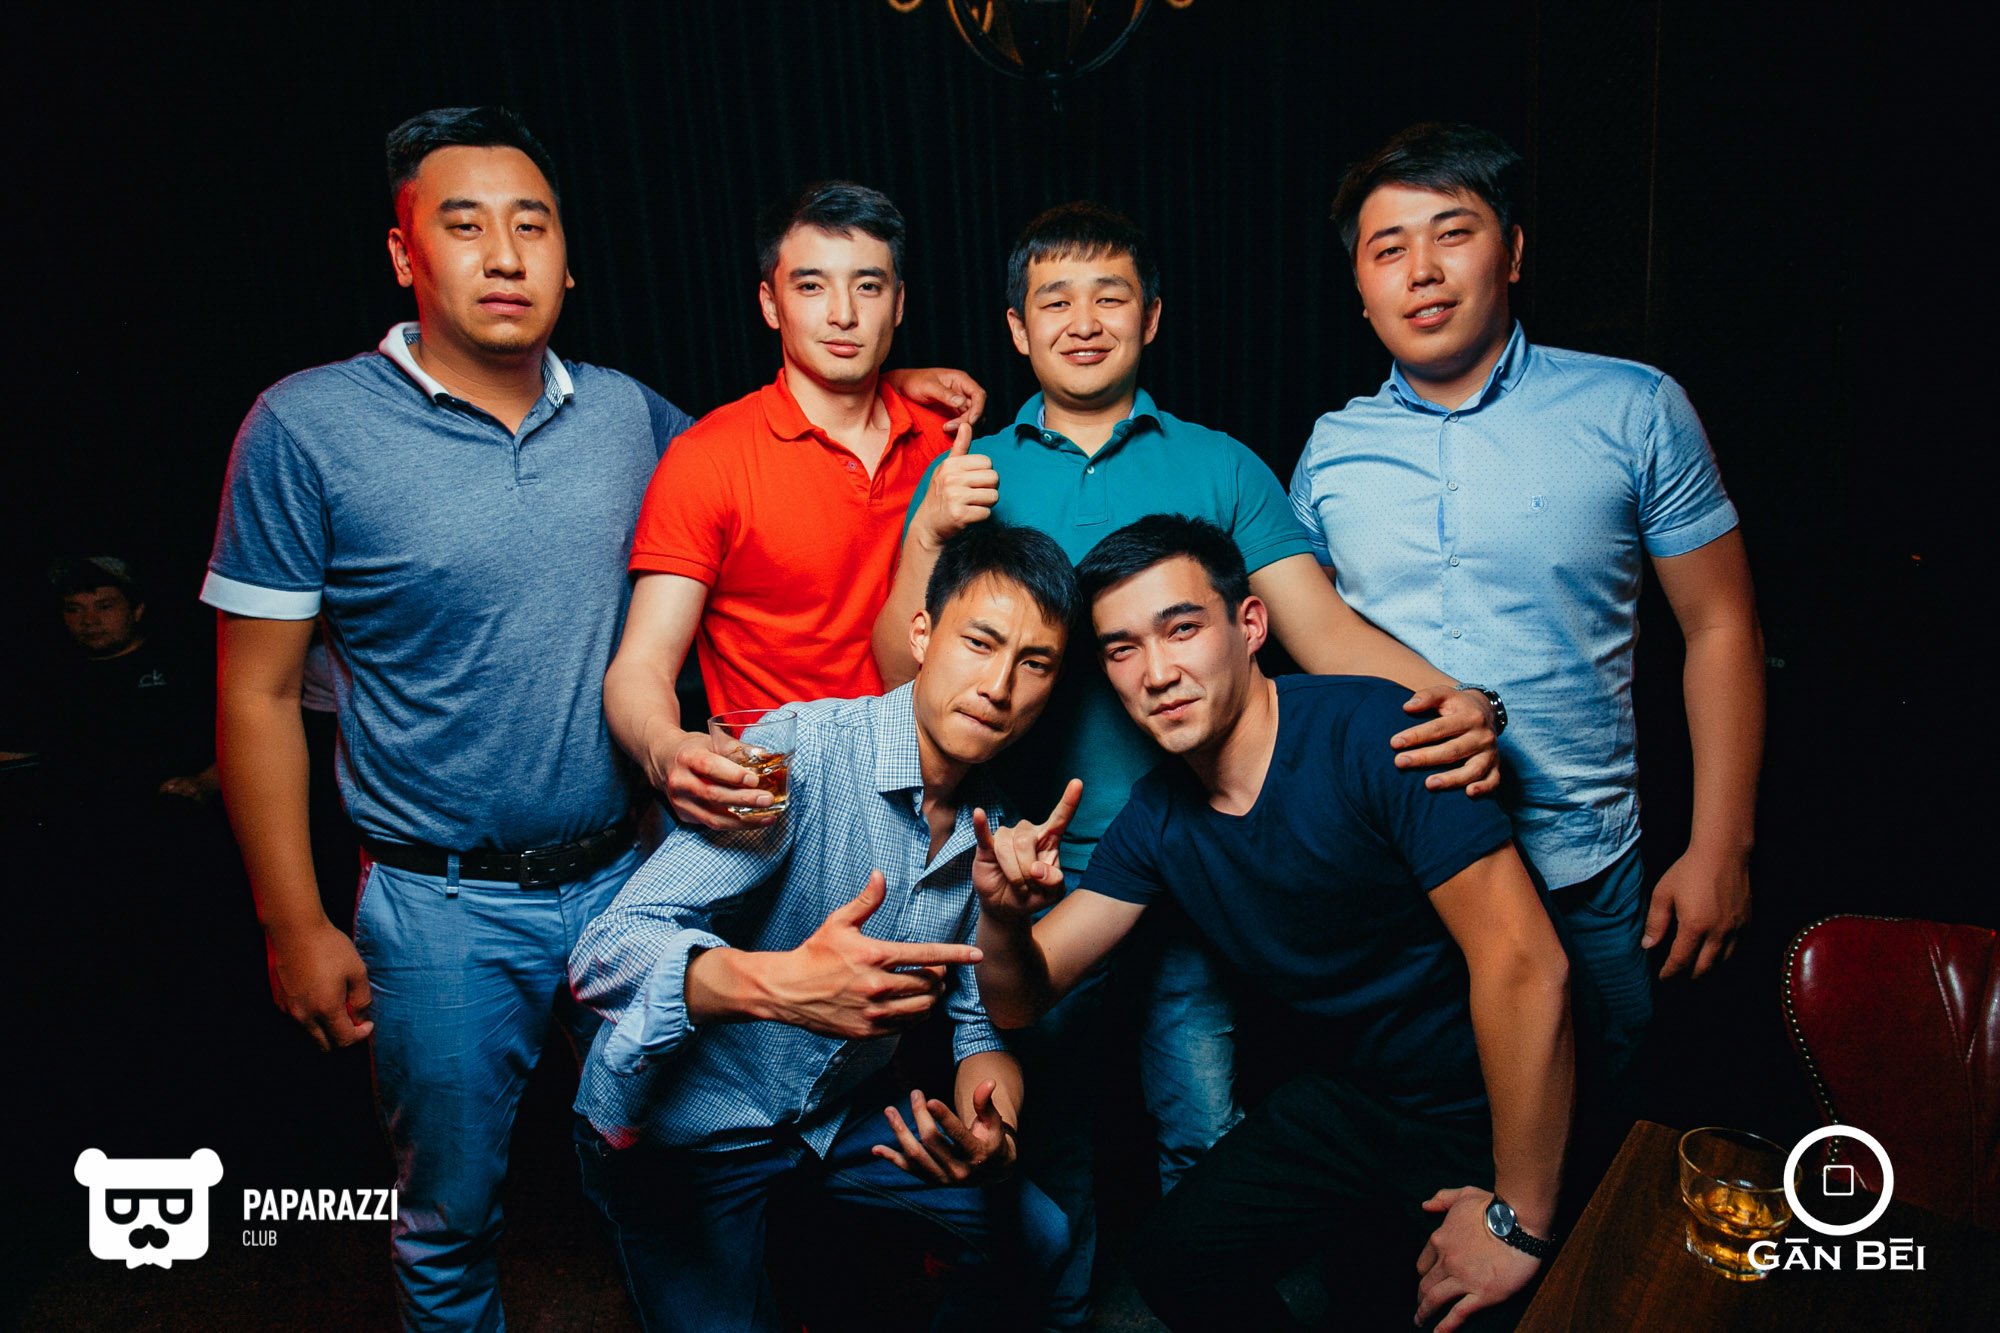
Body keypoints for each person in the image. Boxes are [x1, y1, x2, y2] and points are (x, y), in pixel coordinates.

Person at [869, 201, 1504, 1322]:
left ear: (1151, 318)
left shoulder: (1218, 465)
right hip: (1043, 874)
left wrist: (1455, 698)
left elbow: (1320, 631)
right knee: (1047, 1140)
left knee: (1203, 1126)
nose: (1082, 321)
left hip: (1201, 861)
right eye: (1054, 301)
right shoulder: (972, 473)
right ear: (1016, 328)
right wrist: (928, 533)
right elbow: (902, 670)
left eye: (1109, 296)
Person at [973, 515, 1573, 1332]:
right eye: (1122, 649)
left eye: (1181, 629)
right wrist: (1002, 919)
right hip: (1360, 1099)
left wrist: (1518, 1218)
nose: (1157, 672)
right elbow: (1022, 997)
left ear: (1250, 624)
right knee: (1177, 1261)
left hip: (1499, 1096)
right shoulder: (1156, 818)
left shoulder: (1374, 732)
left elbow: (1525, 962)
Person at [1292, 122, 1765, 1087]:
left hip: (1584, 867)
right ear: (1361, 288)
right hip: (1396, 874)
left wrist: (1722, 844)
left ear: (1510, 251)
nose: (1422, 271)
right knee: (1408, 1129)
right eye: (1388, 249)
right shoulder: (1331, 448)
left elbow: (1722, 626)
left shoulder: (1634, 408)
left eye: (1452, 233)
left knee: (1611, 1122)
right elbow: (1309, 642)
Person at [568, 523, 1078, 1331]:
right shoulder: (791, 752)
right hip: (688, 1128)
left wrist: (995, 1128)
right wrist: (778, 985)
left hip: (827, 1120)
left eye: (1034, 662)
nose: (998, 685)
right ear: (922, 634)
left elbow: (980, 1023)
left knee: (1037, 1237)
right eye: (980, 642)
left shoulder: (998, 833)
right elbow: (605, 951)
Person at [605, 182, 982, 832]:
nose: (843, 314)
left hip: (935, 804)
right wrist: (667, 750)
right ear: (770, 303)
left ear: (898, 304)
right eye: (811, 286)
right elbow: (640, 665)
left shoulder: (946, 444)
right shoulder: (708, 460)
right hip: (781, 813)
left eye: (868, 286)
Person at [17, 555, 219, 806]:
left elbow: (249, 737)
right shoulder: (50, 679)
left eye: (104, 606)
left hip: (173, 812)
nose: (89, 620)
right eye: (74, 609)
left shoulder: (185, 667)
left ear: (137, 610)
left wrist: (205, 783)